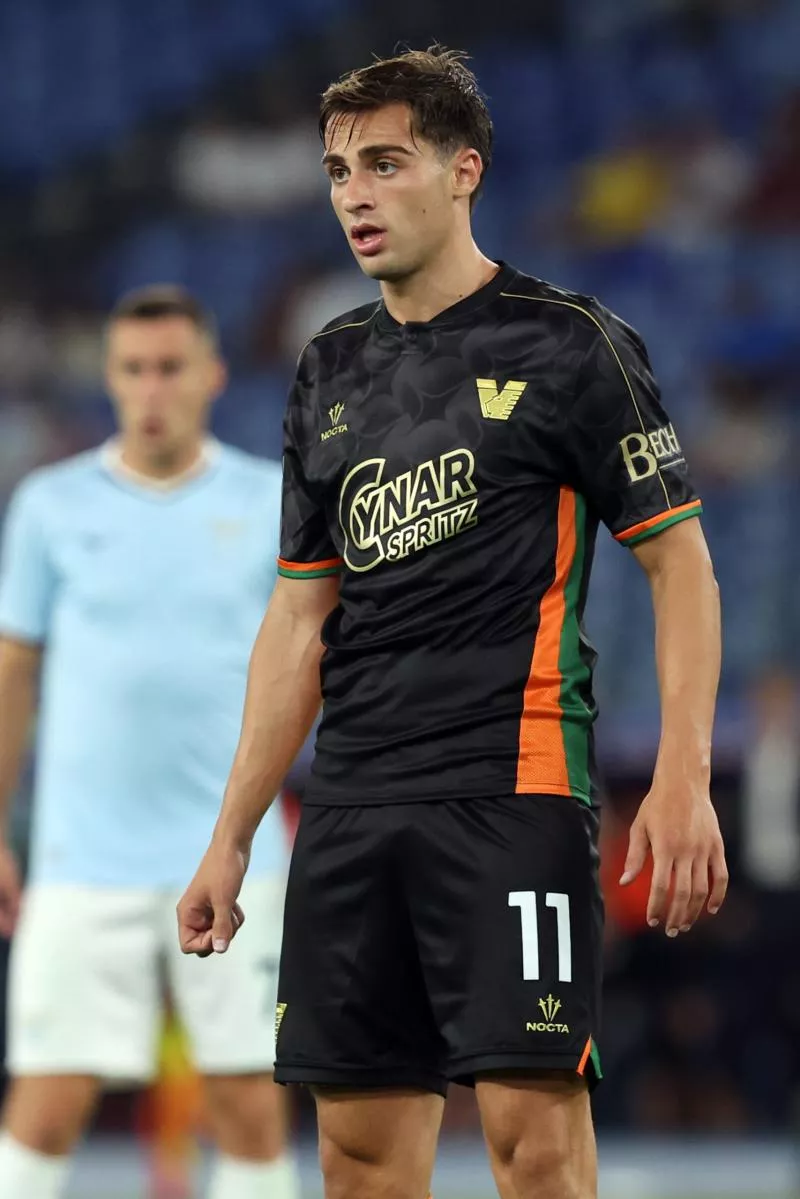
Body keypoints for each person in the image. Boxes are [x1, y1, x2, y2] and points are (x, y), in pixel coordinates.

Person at [177, 47, 729, 1199]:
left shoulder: (570, 344)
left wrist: (680, 774)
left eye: (384, 164)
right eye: (337, 171)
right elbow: (295, 619)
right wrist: (234, 832)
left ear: (462, 170)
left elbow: (680, 566)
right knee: (359, 1158)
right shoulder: (326, 367)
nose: (354, 196)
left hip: (510, 786)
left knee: (532, 1146)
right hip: (351, 802)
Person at [0, 287, 300, 1199]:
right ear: (111, 380)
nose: (153, 387)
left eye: (170, 367)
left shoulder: (265, 500)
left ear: (210, 375)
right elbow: (13, 673)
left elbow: (307, 661)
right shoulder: (50, 506)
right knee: (48, 1096)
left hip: (232, 856)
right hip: (79, 858)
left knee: (247, 1096)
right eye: (134, 369)